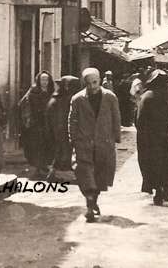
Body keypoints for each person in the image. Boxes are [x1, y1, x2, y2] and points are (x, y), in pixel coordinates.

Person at [69, 67, 122, 222]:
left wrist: (116, 138)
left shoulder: (110, 97)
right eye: (89, 83)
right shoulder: (77, 99)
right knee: (85, 174)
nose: (92, 86)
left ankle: (93, 202)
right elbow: (72, 120)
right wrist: (73, 139)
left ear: (99, 80)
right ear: (84, 83)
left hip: (104, 143)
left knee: (99, 176)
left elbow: (116, 118)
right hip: (84, 143)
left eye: (95, 82)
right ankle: (89, 206)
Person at [136, 69, 168, 205]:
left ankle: (157, 190)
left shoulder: (146, 96)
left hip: (151, 138)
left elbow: (139, 120)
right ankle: (166, 187)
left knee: (152, 163)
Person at [18, 71, 55, 177]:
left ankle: (44, 166)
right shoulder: (33, 91)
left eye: (46, 79)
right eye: (42, 79)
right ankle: (38, 168)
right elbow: (22, 104)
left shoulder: (51, 91)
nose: (44, 82)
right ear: (38, 80)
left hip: (48, 124)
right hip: (36, 124)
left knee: (48, 145)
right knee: (37, 146)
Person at [46, 75, 80, 182]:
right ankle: (57, 175)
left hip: (61, 130)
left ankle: (56, 174)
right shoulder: (60, 99)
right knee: (63, 151)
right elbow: (60, 118)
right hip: (62, 130)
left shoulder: (59, 97)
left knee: (62, 152)